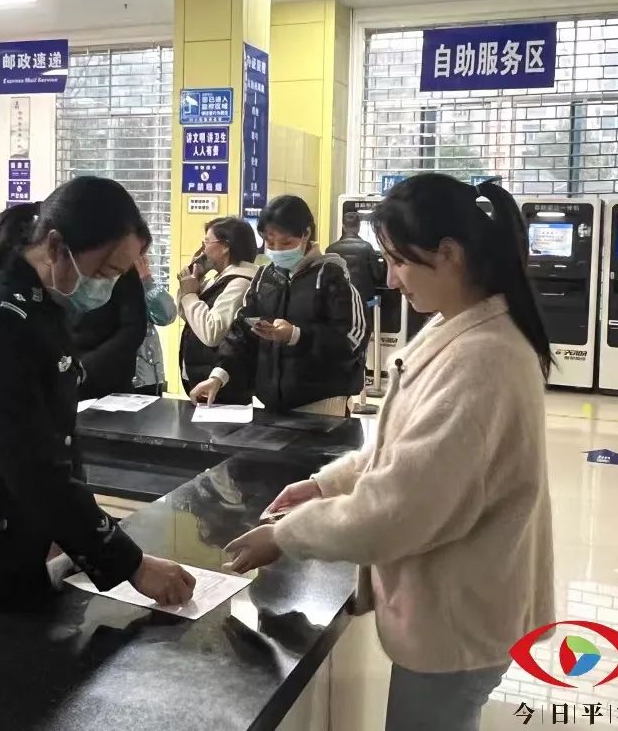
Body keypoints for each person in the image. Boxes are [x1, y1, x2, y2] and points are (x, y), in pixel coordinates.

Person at [223, 174, 554, 731]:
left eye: (399, 261)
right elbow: (400, 448)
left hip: (462, 617)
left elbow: (399, 507)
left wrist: (285, 536)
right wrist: (325, 485)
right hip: (457, 602)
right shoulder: (458, 328)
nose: (393, 281)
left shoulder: (483, 359)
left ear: (448, 254)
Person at [0, 176, 195, 633]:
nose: (108, 286)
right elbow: (32, 466)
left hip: (9, 554)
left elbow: (54, 439)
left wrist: (71, 534)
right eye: (106, 272)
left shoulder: (36, 300)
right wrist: (131, 564)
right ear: (57, 246)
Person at [190, 195, 367, 415]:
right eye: (269, 242)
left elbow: (352, 339)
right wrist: (218, 376)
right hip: (272, 401)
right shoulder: (265, 277)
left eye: (286, 243)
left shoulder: (332, 276)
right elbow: (242, 331)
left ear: (306, 234)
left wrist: (296, 335)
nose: (277, 250)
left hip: (323, 401)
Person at [177, 217, 258, 403]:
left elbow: (212, 333)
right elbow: (187, 316)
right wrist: (193, 282)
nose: (202, 250)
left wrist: (190, 295)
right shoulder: (219, 279)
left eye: (207, 242)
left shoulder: (239, 282)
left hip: (223, 383)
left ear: (225, 246)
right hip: (203, 376)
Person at [69, 260, 147, 400]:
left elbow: (133, 329)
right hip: (63, 371)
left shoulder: (121, 267)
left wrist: (85, 366)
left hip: (109, 377)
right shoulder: (61, 264)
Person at [326, 211, 387, 329]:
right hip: (366, 303)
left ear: (343, 226)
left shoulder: (331, 249)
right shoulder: (367, 247)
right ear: (358, 227)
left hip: (338, 304)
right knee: (379, 300)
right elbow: (378, 276)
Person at [132, 255, 176, 396]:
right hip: (111, 375)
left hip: (146, 377)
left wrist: (147, 281)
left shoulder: (142, 286)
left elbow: (167, 315)